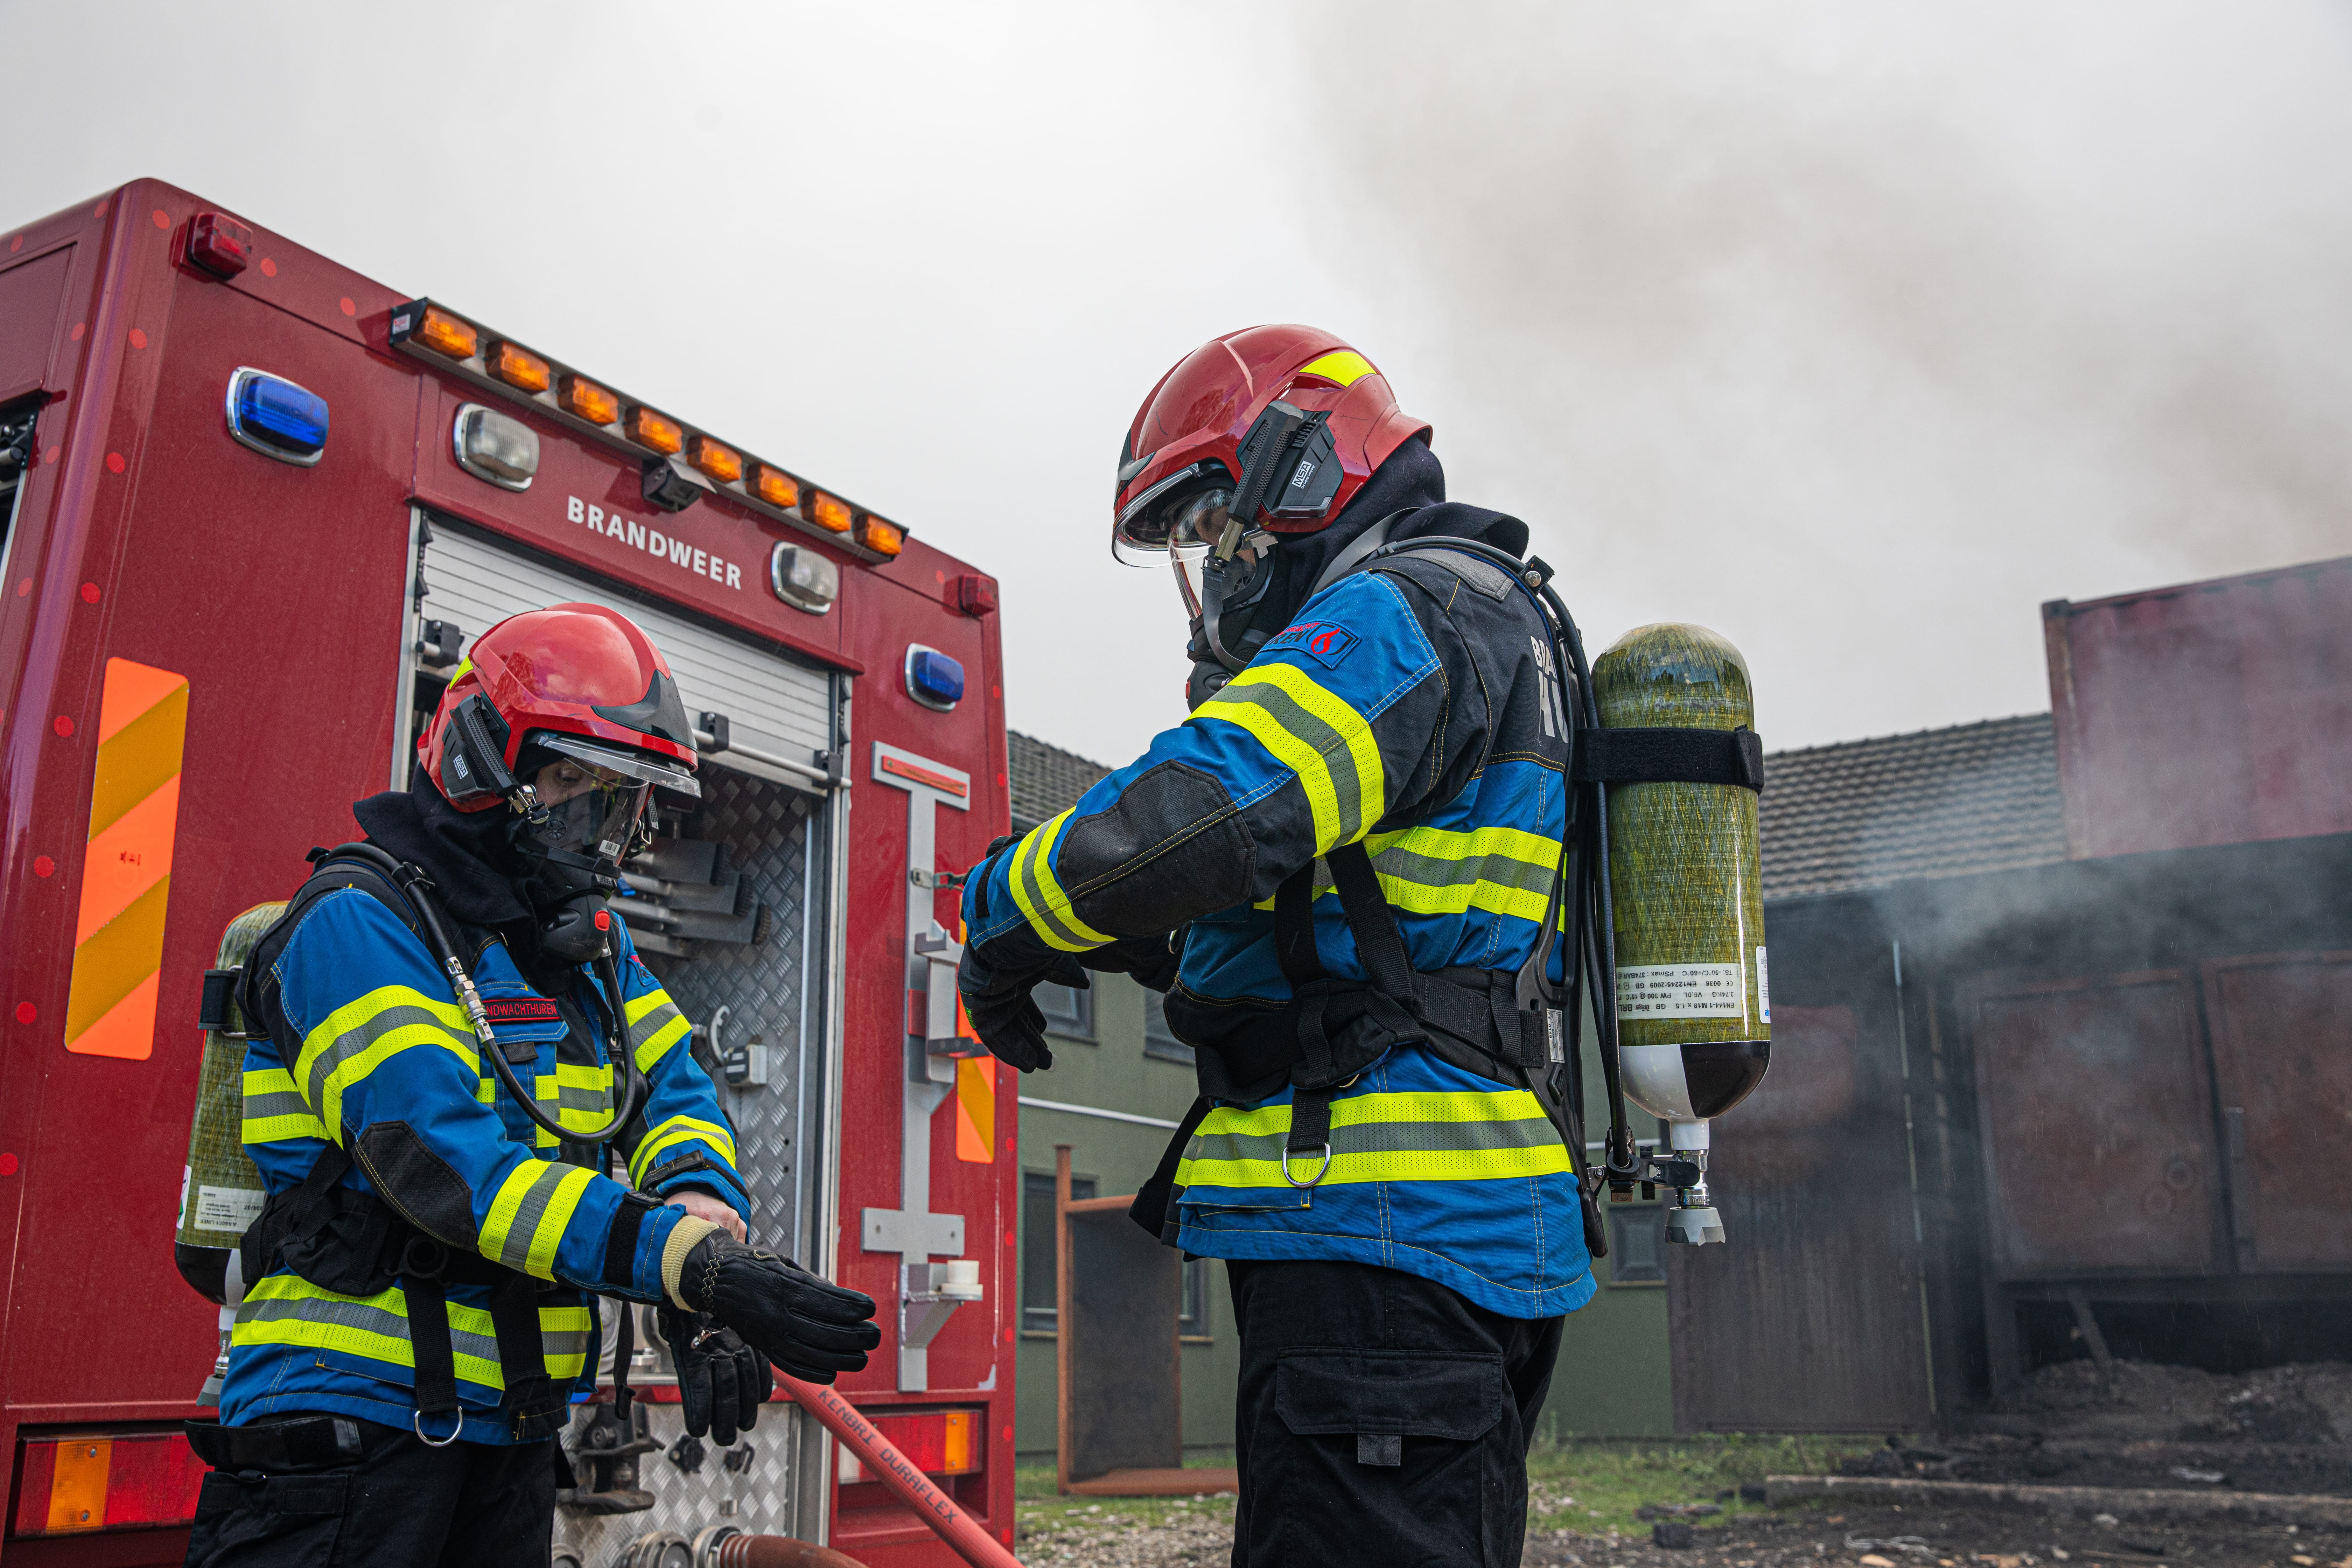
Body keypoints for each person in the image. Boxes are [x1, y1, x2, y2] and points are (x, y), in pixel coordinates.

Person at [958, 329, 1591, 1567]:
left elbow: (1208, 813)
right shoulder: (1488, 616)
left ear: (1300, 472)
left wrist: (1003, 911)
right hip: (1439, 1241)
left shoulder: (1402, 611)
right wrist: (1150, 950)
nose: (1215, 566)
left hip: (1381, 1245)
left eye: (1214, 525)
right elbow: (1364, 920)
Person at [186, 603, 880, 1567]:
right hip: (344, 1437)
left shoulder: (581, 949)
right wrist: (689, 1264)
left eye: (629, 803)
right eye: (576, 786)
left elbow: (676, 1094)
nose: (608, 833)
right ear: (482, 764)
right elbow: (448, 1169)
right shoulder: (358, 924)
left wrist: (702, 1238)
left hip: (509, 1433)